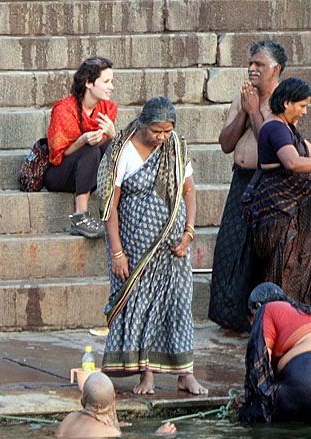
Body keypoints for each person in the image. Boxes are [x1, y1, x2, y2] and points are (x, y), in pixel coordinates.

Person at [97, 97, 207, 396]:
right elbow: (110, 205)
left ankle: (185, 374)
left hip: (174, 250)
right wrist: (117, 252)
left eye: (167, 131)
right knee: (143, 308)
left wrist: (189, 232)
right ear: (143, 125)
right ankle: (147, 376)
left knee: (178, 306)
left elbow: (189, 191)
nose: (161, 137)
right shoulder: (122, 150)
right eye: (156, 131)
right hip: (136, 249)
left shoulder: (175, 148)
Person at [209, 40, 287, 333]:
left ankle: (258, 321)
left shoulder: (282, 102)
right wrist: (243, 110)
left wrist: (255, 111)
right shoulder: (243, 97)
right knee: (229, 249)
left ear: (275, 69)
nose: (253, 69)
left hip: (265, 183)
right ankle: (230, 320)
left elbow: (271, 145)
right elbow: (226, 143)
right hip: (239, 180)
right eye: (251, 63)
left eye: (260, 65)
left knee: (257, 252)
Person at [242, 78, 311, 304]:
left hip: (286, 211)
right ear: (287, 103)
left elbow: (306, 150)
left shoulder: (285, 127)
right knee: (284, 268)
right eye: (302, 106)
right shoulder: (275, 128)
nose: (304, 112)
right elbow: (292, 162)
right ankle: (278, 324)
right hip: (278, 214)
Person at [43, 57, 117, 238]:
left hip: (89, 174)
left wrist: (112, 135)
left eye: (112, 81)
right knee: (90, 149)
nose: (111, 87)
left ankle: (112, 210)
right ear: (89, 83)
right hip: (60, 174)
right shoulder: (64, 109)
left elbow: (112, 150)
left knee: (106, 146)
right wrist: (82, 140)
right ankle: (80, 217)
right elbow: (57, 154)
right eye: (106, 82)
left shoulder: (108, 109)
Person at [238, 283, 311, 424]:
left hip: (303, 385)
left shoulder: (267, 309)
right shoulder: (303, 312)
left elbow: (257, 366)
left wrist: (247, 402)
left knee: (251, 415)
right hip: (300, 383)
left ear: (258, 306)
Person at [55, 372, 176, 438]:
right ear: (113, 398)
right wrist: (158, 435)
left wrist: (115, 425)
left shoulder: (69, 419)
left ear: (83, 399)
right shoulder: (110, 433)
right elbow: (137, 438)